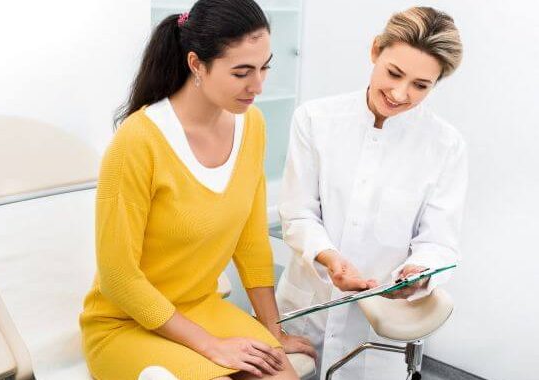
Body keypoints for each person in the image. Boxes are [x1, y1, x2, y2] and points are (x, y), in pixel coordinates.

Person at [80, 1, 316, 379]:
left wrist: (273, 330)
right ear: (196, 64)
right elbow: (119, 278)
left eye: (264, 67)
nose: (258, 85)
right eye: (242, 72)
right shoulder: (138, 142)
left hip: (201, 307)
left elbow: (251, 240)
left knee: (280, 376)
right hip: (124, 325)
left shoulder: (251, 125)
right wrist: (211, 345)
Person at [275, 6, 467, 379]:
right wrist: (331, 259)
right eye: (394, 73)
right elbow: (297, 214)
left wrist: (419, 273)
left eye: (420, 85)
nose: (399, 93)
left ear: (436, 83)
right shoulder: (315, 120)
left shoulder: (445, 146)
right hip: (305, 314)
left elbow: (439, 242)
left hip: (378, 332)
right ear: (375, 50)